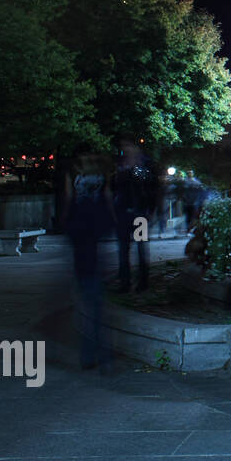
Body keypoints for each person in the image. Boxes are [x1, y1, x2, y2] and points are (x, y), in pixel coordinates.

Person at [62, 147, 113, 370]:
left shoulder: (73, 176)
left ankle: (89, 353)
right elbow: (108, 200)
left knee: (87, 291)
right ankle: (97, 351)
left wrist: (65, 224)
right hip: (92, 231)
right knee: (94, 295)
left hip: (81, 231)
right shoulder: (102, 175)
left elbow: (68, 201)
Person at [112, 136, 159, 292]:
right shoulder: (121, 165)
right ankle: (125, 282)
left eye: (127, 145)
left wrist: (150, 210)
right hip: (124, 212)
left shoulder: (144, 165)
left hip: (140, 212)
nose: (125, 149)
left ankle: (142, 282)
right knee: (123, 249)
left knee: (140, 248)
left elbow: (152, 189)